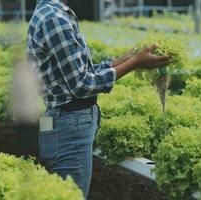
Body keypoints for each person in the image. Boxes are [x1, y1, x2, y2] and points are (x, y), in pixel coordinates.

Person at [27, 0, 170, 198]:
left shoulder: (49, 12)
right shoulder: (55, 19)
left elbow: (79, 73)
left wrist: (127, 58)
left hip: (58, 119)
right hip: (69, 124)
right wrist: (135, 63)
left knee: (63, 192)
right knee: (72, 195)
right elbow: (83, 85)